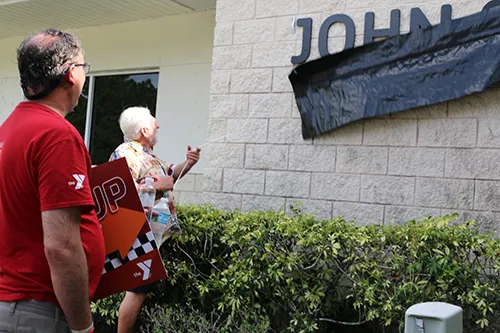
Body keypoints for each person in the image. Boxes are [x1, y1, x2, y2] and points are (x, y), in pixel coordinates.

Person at [0, 29, 105, 333]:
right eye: (83, 68)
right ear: (71, 74)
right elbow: (61, 247)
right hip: (36, 313)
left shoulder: (9, 130)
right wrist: (83, 327)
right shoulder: (56, 135)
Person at [109, 106, 200, 333]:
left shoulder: (147, 154)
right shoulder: (126, 153)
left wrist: (188, 163)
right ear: (144, 130)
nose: (158, 126)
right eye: (154, 123)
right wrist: (156, 187)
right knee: (137, 290)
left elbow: (171, 174)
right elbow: (119, 194)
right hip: (137, 234)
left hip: (153, 235)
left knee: (141, 289)